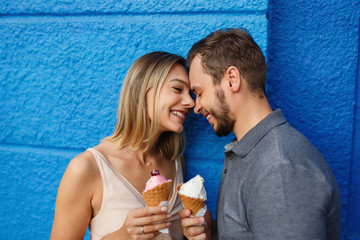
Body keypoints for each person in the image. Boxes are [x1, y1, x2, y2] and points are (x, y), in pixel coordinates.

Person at [179, 28, 341, 240]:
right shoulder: (251, 151)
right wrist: (213, 233)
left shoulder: (278, 172)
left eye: (199, 93)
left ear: (232, 79)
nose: (196, 106)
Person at [50, 51, 195, 240]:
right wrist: (123, 235)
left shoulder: (176, 161)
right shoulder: (87, 167)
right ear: (143, 90)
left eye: (191, 93)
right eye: (177, 89)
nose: (190, 102)